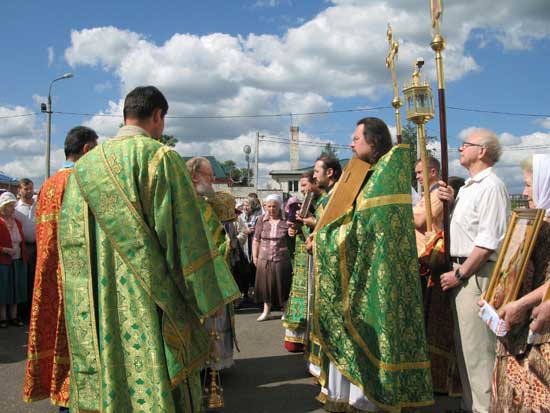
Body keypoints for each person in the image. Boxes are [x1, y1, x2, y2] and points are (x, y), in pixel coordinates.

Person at [57, 86, 239, 412]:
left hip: (98, 301)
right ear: (158, 116)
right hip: (150, 300)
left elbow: (73, 246)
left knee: (111, 375)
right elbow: (184, 237)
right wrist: (207, 295)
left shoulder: (84, 168)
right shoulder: (159, 157)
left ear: (126, 114)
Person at [314, 117, 433, 411]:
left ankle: (370, 400)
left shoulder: (384, 177)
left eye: (356, 138)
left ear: (374, 141)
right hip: (362, 272)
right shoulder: (366, 174)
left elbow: (365, 228)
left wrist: (323, 237)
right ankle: (354, 398)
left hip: (376, 276)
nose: (351, 143)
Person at [23, 126, 98, 409]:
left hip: (50, 280)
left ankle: (61, 398)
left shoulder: (48, 185)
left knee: (57, 343)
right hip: (80, 281)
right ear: (88, 150)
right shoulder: (83, 182)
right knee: (83, 348)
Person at [437, 128, 510, 413]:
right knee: (466, 350)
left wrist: (460, 274)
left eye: (465, 144)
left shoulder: (491, 186)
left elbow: (488, 241)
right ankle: (472, 406)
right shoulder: (471, 186)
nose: (459, 149)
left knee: (479, 352)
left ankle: (484, 408)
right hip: (465, 272)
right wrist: (452, 202)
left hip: (475, 275)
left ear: (482, 151)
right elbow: (469, 229)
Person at [488, 154, 550, 412]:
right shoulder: (536, 220)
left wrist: (522, 303)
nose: (525, 192)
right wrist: (495, 297)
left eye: (529, 185)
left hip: (541, 328)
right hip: (519, 327)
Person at [186, 156, 243, 370]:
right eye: (209, 176)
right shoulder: (186, 206)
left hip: (215, 272)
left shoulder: (205, 204)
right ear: (194, 176)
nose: (212, 180)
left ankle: (213, 363)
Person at [284, 171, 322, 353]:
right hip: (302, 257)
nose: (302, 189)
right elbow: (292, 232)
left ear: (315, 183)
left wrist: (311, 223)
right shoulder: (299, 205)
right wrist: (293, 232)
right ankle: (298, 337)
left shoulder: (323, 204)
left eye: (305, 185)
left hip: (317, 256)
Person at [252, 194, 292, 321]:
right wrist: (255, 256)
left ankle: (285, 310)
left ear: (280, 206)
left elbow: (293, 237)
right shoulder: (260, 220)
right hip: (264, 257)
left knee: (283, 284)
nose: (271, 209)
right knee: (265, 285)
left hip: (282, 258)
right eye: (268, 206)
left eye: (274, 206)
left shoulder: (286, 220)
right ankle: (266, 311)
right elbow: (256, 239)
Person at [0, 191, 27, 328]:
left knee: (17, 288)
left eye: (12, 205)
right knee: (4, 288)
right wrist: (4, 250)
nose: (12, 208)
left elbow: (21, 240)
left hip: (18, 260)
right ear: (3, 207)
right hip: (3, 261)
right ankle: (3, 317)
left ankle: (14, 316)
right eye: (9, 206)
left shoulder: (17, 222)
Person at [15, 178, 36, 319]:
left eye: (31, 189)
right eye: (26, 189)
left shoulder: (39, 204)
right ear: (19, 190)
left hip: (39, 246)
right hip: (24, 248)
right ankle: (24, 312)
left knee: (36, 279)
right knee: (25, 280)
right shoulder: (16, 209)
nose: (29, 191)